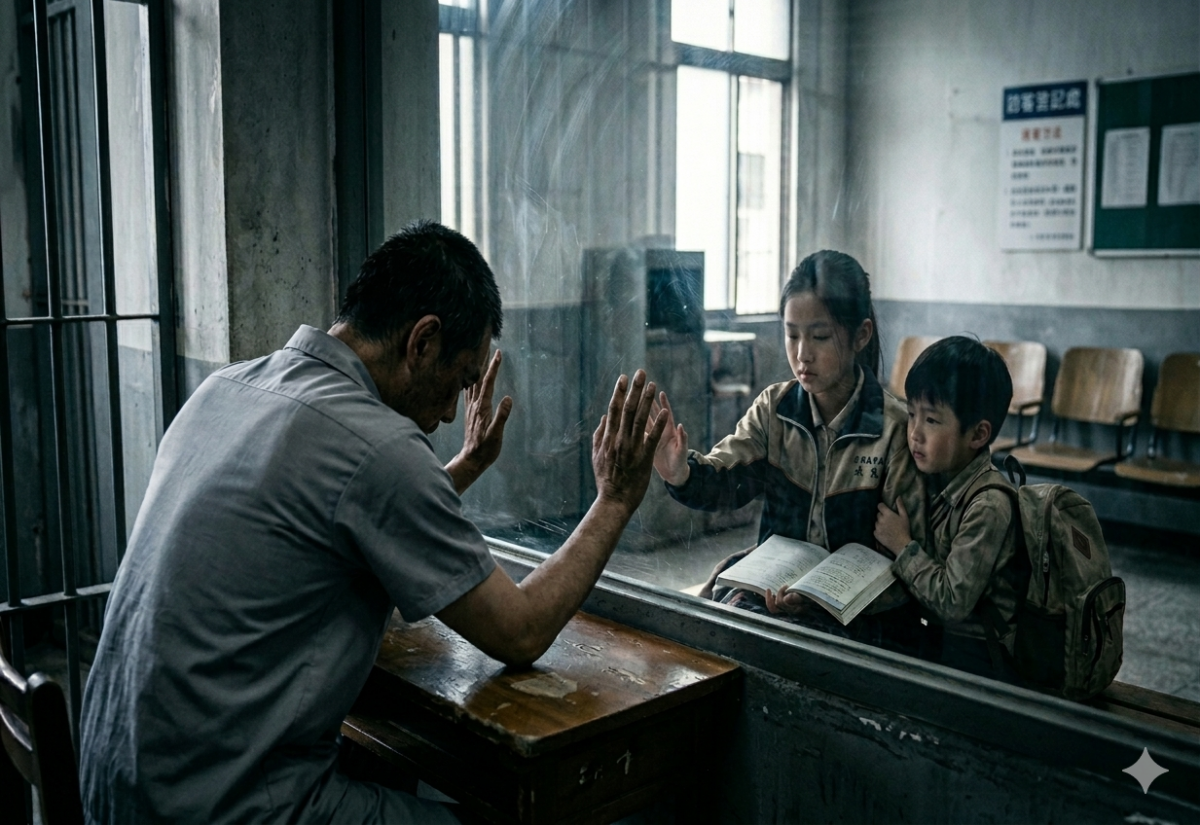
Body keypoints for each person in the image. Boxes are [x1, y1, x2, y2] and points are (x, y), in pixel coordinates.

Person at [78, 220, 667, 824]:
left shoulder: (226, 387)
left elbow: (344, 514)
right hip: (221, 808)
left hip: (113, 781)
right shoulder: (379, 445)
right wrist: (615, 499)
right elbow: (520, 633)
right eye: (461, 381)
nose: (450, 412)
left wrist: (463, 467)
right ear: (423, 342)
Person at [651, 250, 927, 650]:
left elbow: (907, 559)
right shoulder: (775, 410)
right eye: (791, 334)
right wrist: (681, 473)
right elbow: (726, 479)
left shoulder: (894, 429)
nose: (802, 354)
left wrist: (822, 601)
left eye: (819, 337)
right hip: (776, 595)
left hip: (865, 616)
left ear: (861, 335)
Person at [874, 335, 1025, 682]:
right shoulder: (938, 479)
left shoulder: (988, 506)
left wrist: (902, 545)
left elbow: (952, 602)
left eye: (931, 420)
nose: (914, 433)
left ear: (978, 435)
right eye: (911, 414)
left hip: (983, 659)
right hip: (948, 642)